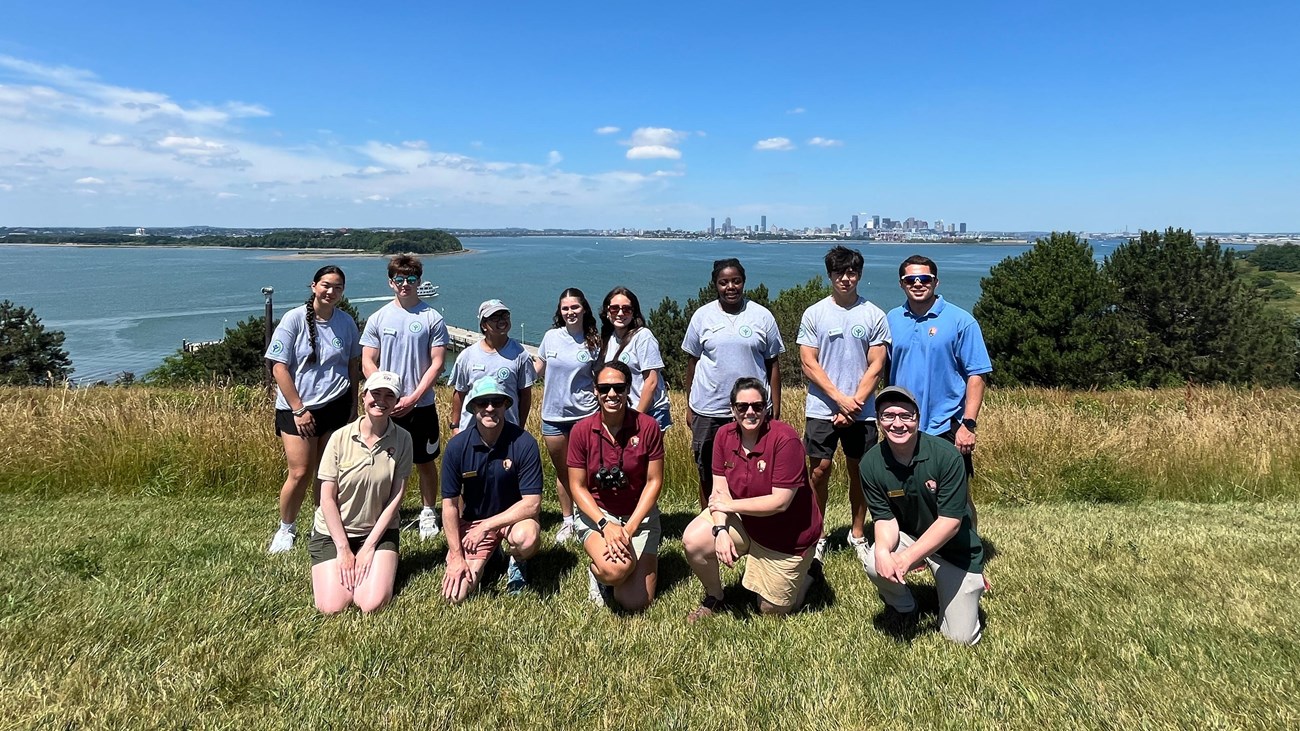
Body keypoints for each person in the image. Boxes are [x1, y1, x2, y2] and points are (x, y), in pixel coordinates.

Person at [682, 377, 822, 622]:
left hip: (787, 536)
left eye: (757, 406)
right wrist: (721, 530)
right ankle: (715, 596)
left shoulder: (785, 439)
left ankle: (811, 573)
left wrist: (728, 506)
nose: (750, 412)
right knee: (694, 539)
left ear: (766, 408)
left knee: (770, 611)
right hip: (746, 522)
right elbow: (719, 491)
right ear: (732, 409)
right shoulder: (724, 436)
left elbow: (780, 502)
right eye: (742, 406)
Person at [860, 386, 986, 645]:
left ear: (918, 418)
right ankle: (905, 606)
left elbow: (951, 523)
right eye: (888, 416)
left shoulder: (947, 455)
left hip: (955, 549)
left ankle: (964, 585)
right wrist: (884, 552)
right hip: (909, 537)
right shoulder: (870, 463)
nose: (898, 423)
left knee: (961, 639)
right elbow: (884, 518)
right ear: (879, 420)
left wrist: (905, 559)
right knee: (874, 560)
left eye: (906, 416)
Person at [797, 246, 890, 570]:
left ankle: (857, 533)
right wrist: (839, 399)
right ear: (830, 275)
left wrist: (854, 405)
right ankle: (817, 534)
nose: (845, 279)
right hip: (822, 408)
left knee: (860, 472)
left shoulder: (873, 314)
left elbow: (876, 364)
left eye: (851, 273)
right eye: (839, 273)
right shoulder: (815, 314)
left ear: (859, 275)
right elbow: (809, 363)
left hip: (862, 412)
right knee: (819, 470)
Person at [265, 265, 361, 554]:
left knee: (327, 473)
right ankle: (286, 528)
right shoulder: (294, 320)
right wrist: (298, 408)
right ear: (314, 286)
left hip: (336, 404)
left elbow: (353, 364)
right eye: (326, 285)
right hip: (298, 410)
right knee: (300, 472)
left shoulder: (346, 323)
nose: (331, 292)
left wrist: (354, 405)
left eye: (338, 288)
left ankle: (322, 525)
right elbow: (278, 367)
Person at [360, 254, 450, 541]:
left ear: (418, 281)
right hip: (384, 407)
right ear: (391, 282)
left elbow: (436, 363)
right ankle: (384, 510)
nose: (405, 284)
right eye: (399, 279)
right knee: (382, 461)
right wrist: (384, 396)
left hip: (420, 405)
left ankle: (427, 511)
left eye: (411, 279)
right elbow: (368, 360)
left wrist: (412, 397)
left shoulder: (431, 318)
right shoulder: (379, 317)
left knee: (425, 461)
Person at [682, 258, 784, 508]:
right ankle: (709, 521)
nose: (730, 287)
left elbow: (773, 365)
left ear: (743, 282)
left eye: (736, 281)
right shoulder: (702, 316)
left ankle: (749, 523)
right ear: (715, 285)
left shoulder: (762, 316)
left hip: (752, 410)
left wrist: (775, 408)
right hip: (709, 409)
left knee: (753, 470)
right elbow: (692, 363)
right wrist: (689, 405)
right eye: (724, 282)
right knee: (707, 471)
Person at [310, 370, 412, 614]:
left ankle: (373, 562)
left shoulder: (404, 439)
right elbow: (326, 498)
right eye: (375, 393)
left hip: (378, 531)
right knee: (332, 606)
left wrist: (369, 547)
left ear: (397, 402)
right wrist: (344, 549)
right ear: (363, 396)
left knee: (371, 603)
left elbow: (395, 498)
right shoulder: (339, 438)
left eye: (390, 396)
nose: (381, 401)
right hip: (333, 532)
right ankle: (342, 561)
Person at [567, 362, 665, 611]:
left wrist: (629, 528)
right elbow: (577, 487)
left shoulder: (648, 427)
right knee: (614, 570)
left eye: (619, 388)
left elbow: (654, 481)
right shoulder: (581, 431)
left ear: (628, 389)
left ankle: (628, 565)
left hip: (638, 517)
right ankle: (600, 572)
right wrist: (605, 524)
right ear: (596, 391)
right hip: (599, 514)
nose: (612, 394)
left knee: (635, 602)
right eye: (605, 388)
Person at [440, 377, 543, 602]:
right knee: (455, 596)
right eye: (482, 403)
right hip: (473, 522)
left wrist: (488, 526)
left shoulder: (524, 443)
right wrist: (457, 555)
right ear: (472, 408)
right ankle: (492, 556)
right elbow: (448, 505)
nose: (489, 408)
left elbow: (532, 503)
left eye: (496, 402)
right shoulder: (457, 447)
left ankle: (517, 561)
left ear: (506, 405)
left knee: (526, 538)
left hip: (513, 520)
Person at [533, 288, 600, 544]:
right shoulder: (551, 337)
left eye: (575, 307)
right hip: (553, 415)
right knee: (563, 472)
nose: (570, 312)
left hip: (585, 415)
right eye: (565, 308)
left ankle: (591, 517)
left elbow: (600, 377)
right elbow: (537, 369)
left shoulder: (593, 341)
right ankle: (568, 520)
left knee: (586, 471)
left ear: (584, 309)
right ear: (560, 312)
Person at [449, 299, 536, 434]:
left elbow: (525, 395)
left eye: (504, 316)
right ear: (484, 324)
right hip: (471, 430)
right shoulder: (467, 355)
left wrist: (520, 426)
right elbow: (459, 393)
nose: (501, 320)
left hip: (508, 430)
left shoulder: (520, 354)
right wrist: (455, 426)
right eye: (495, 317)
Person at [597, 286, 672, 431]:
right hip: (623, 412)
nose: (620, 313)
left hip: (648, 411)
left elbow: (651, 381)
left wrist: (637, 417)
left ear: (634, 313)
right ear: (607, 312)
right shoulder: (608, 339)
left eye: (626, 309)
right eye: (614, 309)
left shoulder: (643, 336)